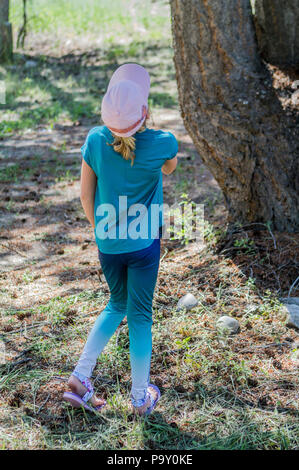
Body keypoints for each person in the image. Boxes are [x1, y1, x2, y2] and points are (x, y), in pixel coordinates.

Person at [63, 63, 178, 416]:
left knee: (116, 304)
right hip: (143, 246)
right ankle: (140, 398)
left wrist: (103, 233)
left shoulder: (95, 140)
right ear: (143, 111)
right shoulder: (162, 143)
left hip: (108, 243)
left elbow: (85, 196)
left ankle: (80, 377)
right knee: (140, 315)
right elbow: (170, 168)